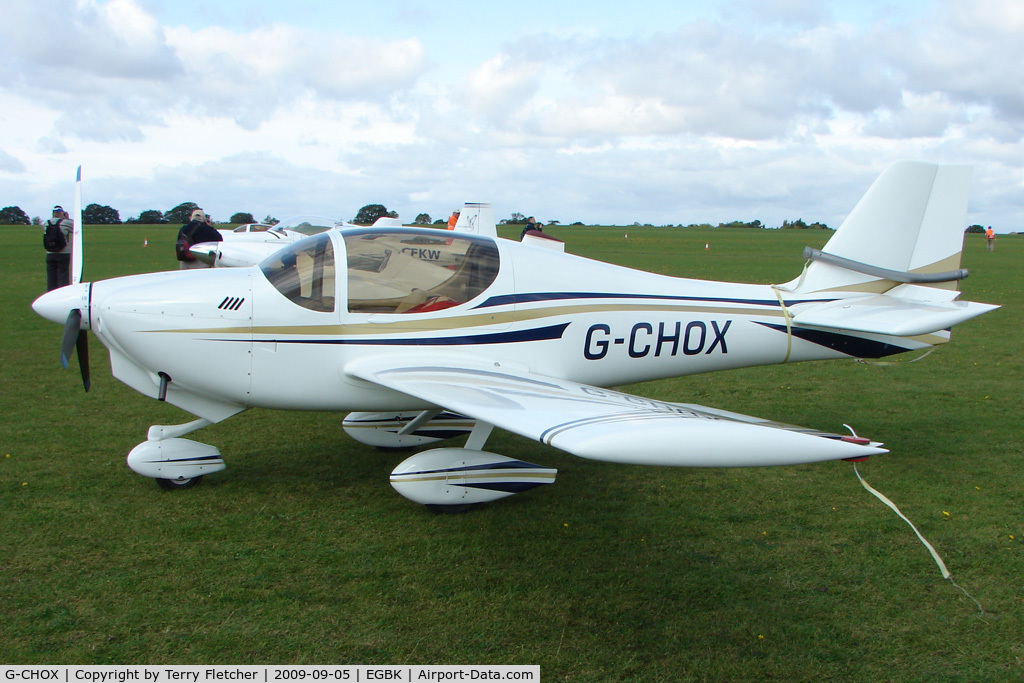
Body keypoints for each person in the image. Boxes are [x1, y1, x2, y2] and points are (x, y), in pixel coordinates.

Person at [43, 205, 73, 290]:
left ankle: (51, 295)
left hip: (50, 253)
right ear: (61, 213)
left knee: (51, 277)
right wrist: (67, 218)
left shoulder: (46, 223)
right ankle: (63, 294)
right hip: (64, 253)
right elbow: (76, 227)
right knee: (63, 276)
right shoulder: (65, 223)